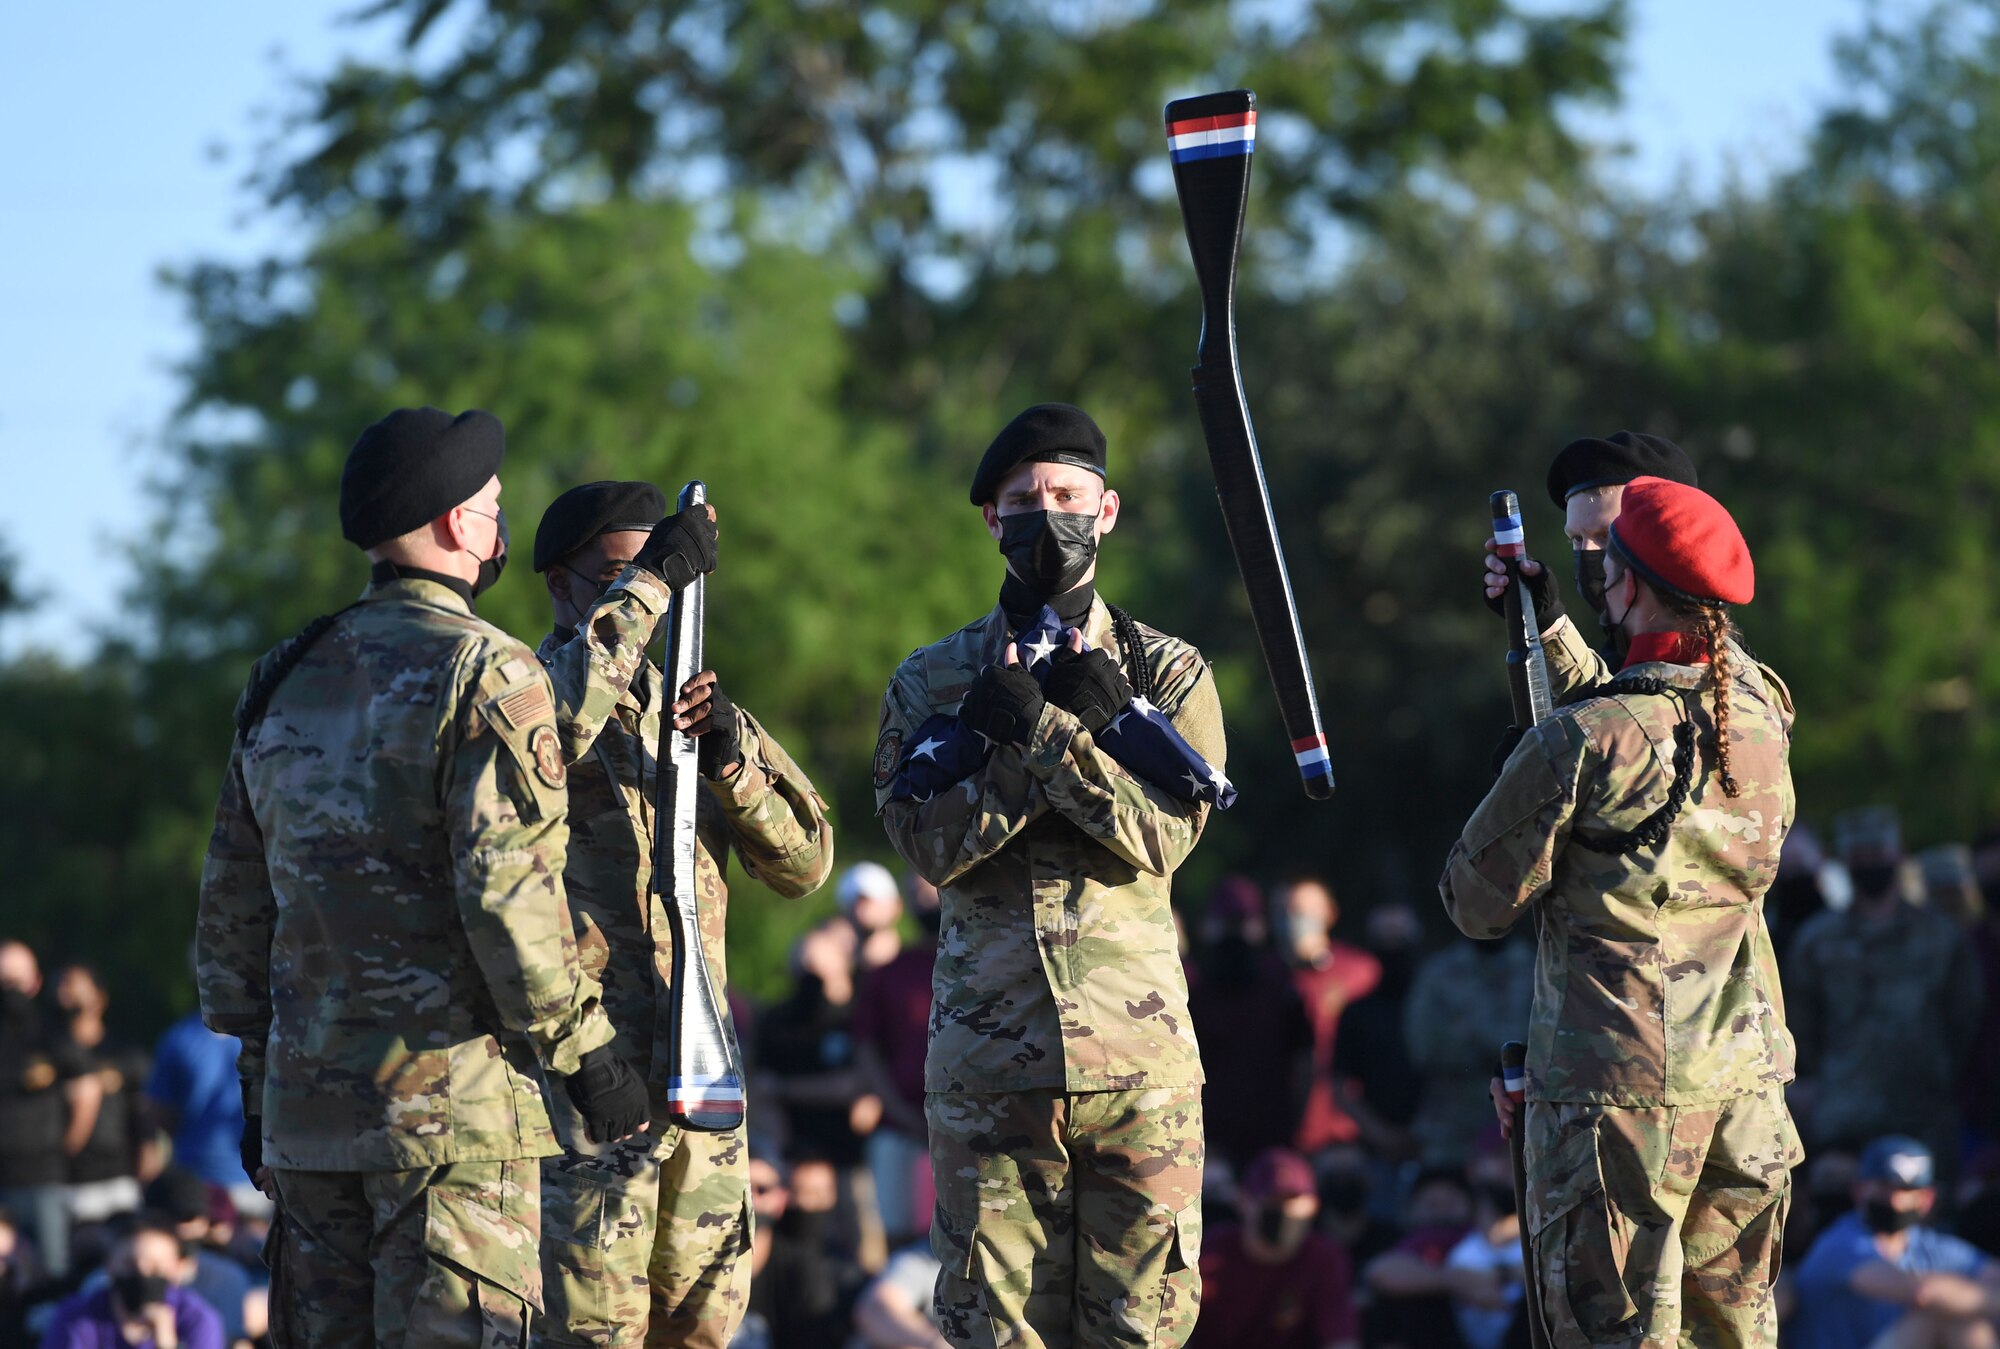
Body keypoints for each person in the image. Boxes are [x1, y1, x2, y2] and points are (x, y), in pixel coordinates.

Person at [195, 407, 646, 1345]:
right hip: (452, 1128)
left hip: (306, 1122)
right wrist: (588, 1053)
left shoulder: (284, 674)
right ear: (454, 525)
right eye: (490, 507)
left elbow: (234, 909)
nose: (497, 526)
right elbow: (508, 897)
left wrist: (252, 1082)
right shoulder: (488, 669)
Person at [875, 403, 1225, 1347]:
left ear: (1106, 509)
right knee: (995, 1330)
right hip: (993, 1072)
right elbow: (928, 849)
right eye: (1025, 501)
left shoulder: (1169, 672)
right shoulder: (932, 680)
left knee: (1141, 1330)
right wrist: (1008, 737)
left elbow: (1165, 838)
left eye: (1068, 495)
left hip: (1138, 1065)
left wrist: (1057, 737)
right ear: (993, 520)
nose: (1048, 516)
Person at [1445, 476, 1801, 1346]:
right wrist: (1553, 628)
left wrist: (1519, 775)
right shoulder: (1759, 709)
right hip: (1745, 1090)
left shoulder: (1582, 740)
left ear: (1631, 585)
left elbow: (1474, 902)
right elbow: (1662, 705)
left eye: (1608, 564)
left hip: (1619, 1098)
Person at [526, 477, 833, 1348]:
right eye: (623, 575)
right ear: (561, 582)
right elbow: (544, 741)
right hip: (589, 1079)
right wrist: (649, 584)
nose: (649, 599)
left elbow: (807, 861)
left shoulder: (683, 707)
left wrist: (734, 763)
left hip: (698, 1071)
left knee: (706, 1324)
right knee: (590, 1329)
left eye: (668, 579)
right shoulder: (525, 693)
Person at [1790, 807, 1983, 1205]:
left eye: (1878, 851)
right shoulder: (1817, 942)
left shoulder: (1941, 937)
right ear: (1844, 860)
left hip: (1924, 1111)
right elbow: (1800, 1027)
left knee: (1927, 1223)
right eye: (1859, 854)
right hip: (1843, 1115)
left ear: (1897, 853)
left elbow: (1965, 1017)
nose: (1870, 862)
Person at [1789, 1136, 2000, 1349]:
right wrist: (1986, 1299)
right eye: (1884, 1186)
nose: (1894, 1200)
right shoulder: (1838, 1242)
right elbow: (1921, 1293)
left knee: (1965, 1317)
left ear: (1927, 1199)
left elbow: (1993, 1274)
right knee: (1943, 1313)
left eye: (1906, 1190)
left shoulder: (1928, 1245)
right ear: (1859, 1191)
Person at [1188, 1147, 1358, 1349]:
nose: (1283, 1212)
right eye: (1272, 1201)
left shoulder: (1324, 1258)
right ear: (1243, 1201)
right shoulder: (1209, 1253)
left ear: (1313, 1206)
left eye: (1293, 1202)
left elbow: (1341, 1340)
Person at [855, 872, 942, 1250]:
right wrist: (899, 1111)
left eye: (932, 890)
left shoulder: (986, 966)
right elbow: (867, 1049)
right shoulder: (891, 972)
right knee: (898, 1239)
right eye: (916, 894)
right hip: (900, 1129)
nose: (926, 902)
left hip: (969, 1127)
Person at [0, 941, 97, 1280]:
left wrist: (64, 1147)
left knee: (51, 1273)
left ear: (35, 982)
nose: (10, 990)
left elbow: (86, 1093)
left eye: (16, 980)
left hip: (42, 1177)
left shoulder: (52, 1034)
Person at [1403, 933, 1533, 1168]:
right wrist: (1504, 1050)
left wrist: (1471, 1033)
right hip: (1454, 1127)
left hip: (1526, 1121)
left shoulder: (1537, 967)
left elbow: (1553, 1043)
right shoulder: (1439, 972)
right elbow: (1425, 1048)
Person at [1273, 875, 1380, 1155]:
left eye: (1304, 911)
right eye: (1286, 911)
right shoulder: (1268, 979)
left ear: (1329, 913)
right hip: (1283, 1130)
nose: (1295, 919)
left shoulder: (1360, 972)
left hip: (1349, 1130)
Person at [1327, 902, 1425, 1164]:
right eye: (1384, 940)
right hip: (1376, 1151)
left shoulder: (1438, 1008)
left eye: (1400, 938)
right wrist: (1382, 1135)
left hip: (1437, 1143)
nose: (1392, 947)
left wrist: (1425, 1129)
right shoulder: (1357, 1012)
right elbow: (1340, 1086)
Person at [39, 1212, 225, 1349]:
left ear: (176, 1269)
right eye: (129, 1264)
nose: (142, 1272)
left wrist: (166, 1344)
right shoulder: (76, 1316)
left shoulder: (197, 1320)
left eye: (155, 1267)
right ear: (109, 1265)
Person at [56, 965, 153, 1226]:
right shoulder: (46, 1054)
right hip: (64, 1180)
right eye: (62, 988)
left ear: (99, 998)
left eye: (75, 988)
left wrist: (144, 1179)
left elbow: (145, 1124)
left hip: (117, 1181)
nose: (67, 996)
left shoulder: (125, 1055)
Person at [735, 1147, 857, 1349]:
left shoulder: (805, 1267)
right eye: (743, 1188)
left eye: (762, 1189)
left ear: (781, 1197)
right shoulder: (703, 1260)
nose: (752, 1199)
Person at [1362, 1166, 1478, 1349]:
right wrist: (1453, 1281)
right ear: (1411, 1211)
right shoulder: (1409, 1245)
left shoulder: (1483, 1243)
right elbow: (1379, 1272)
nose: (1441, 1213)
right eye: (1431, 1204)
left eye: (1450, 1203)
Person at [839, 862, 907, 974]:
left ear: (896, 906)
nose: (860, 909)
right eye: (854, 903)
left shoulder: (918, 962)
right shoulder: (837, 970)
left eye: (867, 901)